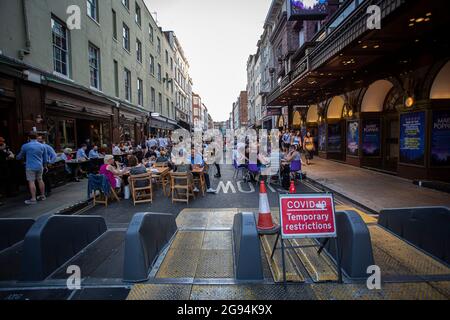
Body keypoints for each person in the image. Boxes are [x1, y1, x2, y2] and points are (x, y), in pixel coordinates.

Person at [16, 132, 48, 205]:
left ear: (28, 138)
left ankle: (33, 199)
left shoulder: (25, 146)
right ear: (36, 137)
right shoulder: (42, 146)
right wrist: (45, 166)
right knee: (40, 180)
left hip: (30, 166)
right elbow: (45, 158)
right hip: (40, 165)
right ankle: (42, 196)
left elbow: (19, 156)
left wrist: (15, 156)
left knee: (31, 181)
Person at [0, 137, 14, 205]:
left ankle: (7, 193)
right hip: (3, 168)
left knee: (6, 181)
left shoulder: (3, 151)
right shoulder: (2, 151)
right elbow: (11, 156)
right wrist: (9, 153)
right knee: (6, 180)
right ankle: (7, 193)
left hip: (4, 167)